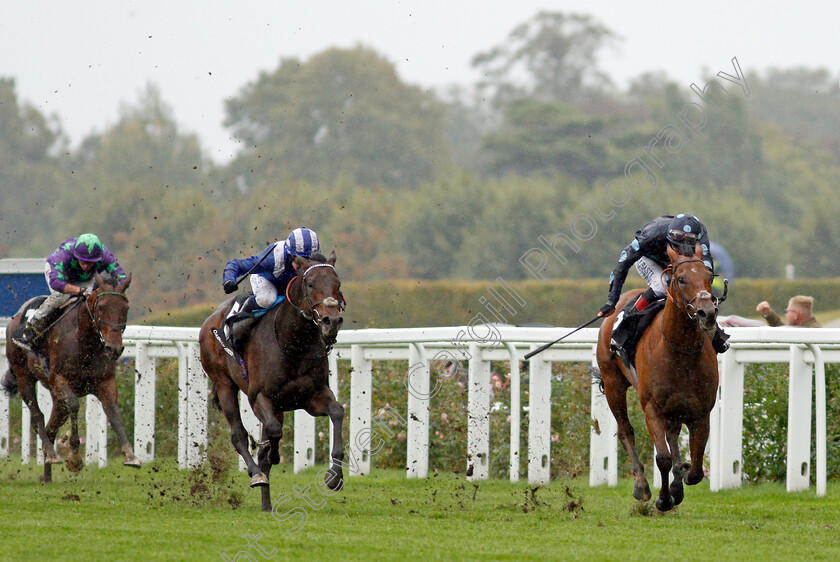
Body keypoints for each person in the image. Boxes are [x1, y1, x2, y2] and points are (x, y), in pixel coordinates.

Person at [597, 214, 730, 365]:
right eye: (678, 244)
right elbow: (622, 264)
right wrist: (612, 301)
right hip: (648, 258)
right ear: (669, 236)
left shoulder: (700, 232)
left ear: (695, 238)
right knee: (662, 286)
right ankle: (625, 326)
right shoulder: (652, 234)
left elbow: (707, 268)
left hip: (683, 262)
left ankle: (713, 331)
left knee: (695, 284)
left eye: (688, 243)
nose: (682, 249)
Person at [12, 233, 127, 350]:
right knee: (61, 297)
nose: (86, 266)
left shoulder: (105, 255)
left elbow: (120, 274)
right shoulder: (64, 254)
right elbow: (55, 282)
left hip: (82, 276)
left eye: (90, 262)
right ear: (76, 256)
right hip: (59, 274)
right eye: (83, 261)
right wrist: (78, 290)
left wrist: (119, 290)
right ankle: (31, 328)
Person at [220, 227, 321, 342]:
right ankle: (241, 312)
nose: (304, 266)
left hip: (289, 285)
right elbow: (237, 264)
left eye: (309, 260)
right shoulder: (273, 259)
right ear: (290, 256)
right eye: (300, 261)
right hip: (266, 279)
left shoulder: (318, 263)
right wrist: (229, 280)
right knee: (267, 299)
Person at [756, 296, 821, 328]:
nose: (786, 315)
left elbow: (783, 332)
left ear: (795, 314)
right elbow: (782, 329)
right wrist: (768, 314)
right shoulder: (808, 329)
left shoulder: (808, 331)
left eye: (787, 311)